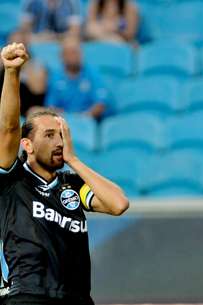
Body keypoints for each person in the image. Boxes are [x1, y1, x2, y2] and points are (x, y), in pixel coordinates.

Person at [0, 42, 129, 304]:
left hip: (76, 298)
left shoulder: (72, 185)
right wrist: (12, 73)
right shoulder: (12, 179)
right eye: (49, 135)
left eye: (61, 136)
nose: (58, 142)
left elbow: (119, 204)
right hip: (26, 296)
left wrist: (74, 160)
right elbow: (10, 128)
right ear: (28, 145)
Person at [45, 36, 109, 119]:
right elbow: (51, 106)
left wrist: (84, 117)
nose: (73, 56)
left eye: (75, 52)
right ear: (61, 56)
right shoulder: (55, 76)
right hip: (64, 123)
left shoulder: (93, 73)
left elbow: (101, 104)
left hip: (89, 122)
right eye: (69, 53)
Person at [0, 31, 47, 117]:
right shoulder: (2, 61)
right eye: (13, 44)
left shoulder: (36, 64)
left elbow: (38, 90)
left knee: (36, 112)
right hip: (3, 104)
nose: (16, 50)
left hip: (26, 108)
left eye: (20, 44)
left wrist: (22, 65)